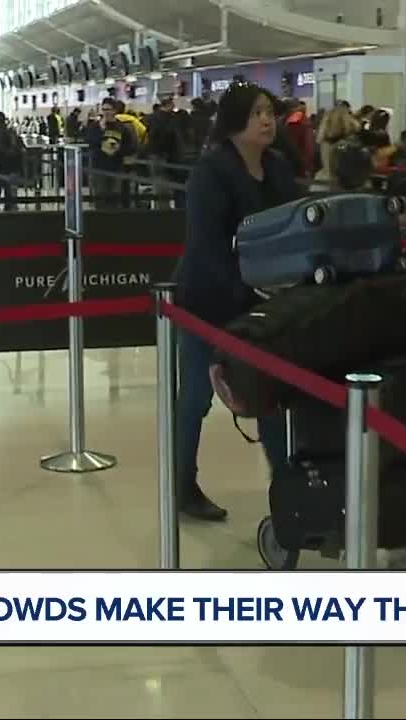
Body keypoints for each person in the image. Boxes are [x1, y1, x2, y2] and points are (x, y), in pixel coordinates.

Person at [171, 82, 302, 521]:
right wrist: (243, 298)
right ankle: (182, 485)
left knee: (269, 399)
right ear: (234, 121)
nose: (268, 120)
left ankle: (289, 491)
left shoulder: (278, 168)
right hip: (207, 304)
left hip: (262, 309)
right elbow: (207, 246)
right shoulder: (210, 172)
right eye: (257, 112)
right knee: (194, 400)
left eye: (270, 112)